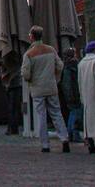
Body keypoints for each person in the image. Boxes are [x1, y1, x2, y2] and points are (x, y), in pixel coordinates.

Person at [21, 25, 70, 153]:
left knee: (41, 116)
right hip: (51, 86)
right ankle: (64, 138)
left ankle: (45, 144)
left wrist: (31, 78)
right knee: (56, 113)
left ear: (31, 37)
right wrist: (54, 76)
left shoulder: (29, 54)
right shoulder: (51, 50)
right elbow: (60, 65)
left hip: (37, 89)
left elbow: (26, 74)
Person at [59, 48, 81, 143]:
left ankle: (71, 133)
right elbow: (68, 84)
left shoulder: (66, 66)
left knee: (72, 113)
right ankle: (74, 133)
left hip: (71, 94)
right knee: (75, 114)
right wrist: (72, 95)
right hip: (74, 94)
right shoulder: (71, 67)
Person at [5, 66, 23, 135]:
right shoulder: (18, 60)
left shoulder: (6, 60)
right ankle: (14, 129)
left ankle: (10, 128)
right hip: (17, 85)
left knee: (11, 108)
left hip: (10, 85)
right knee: (15, 108)